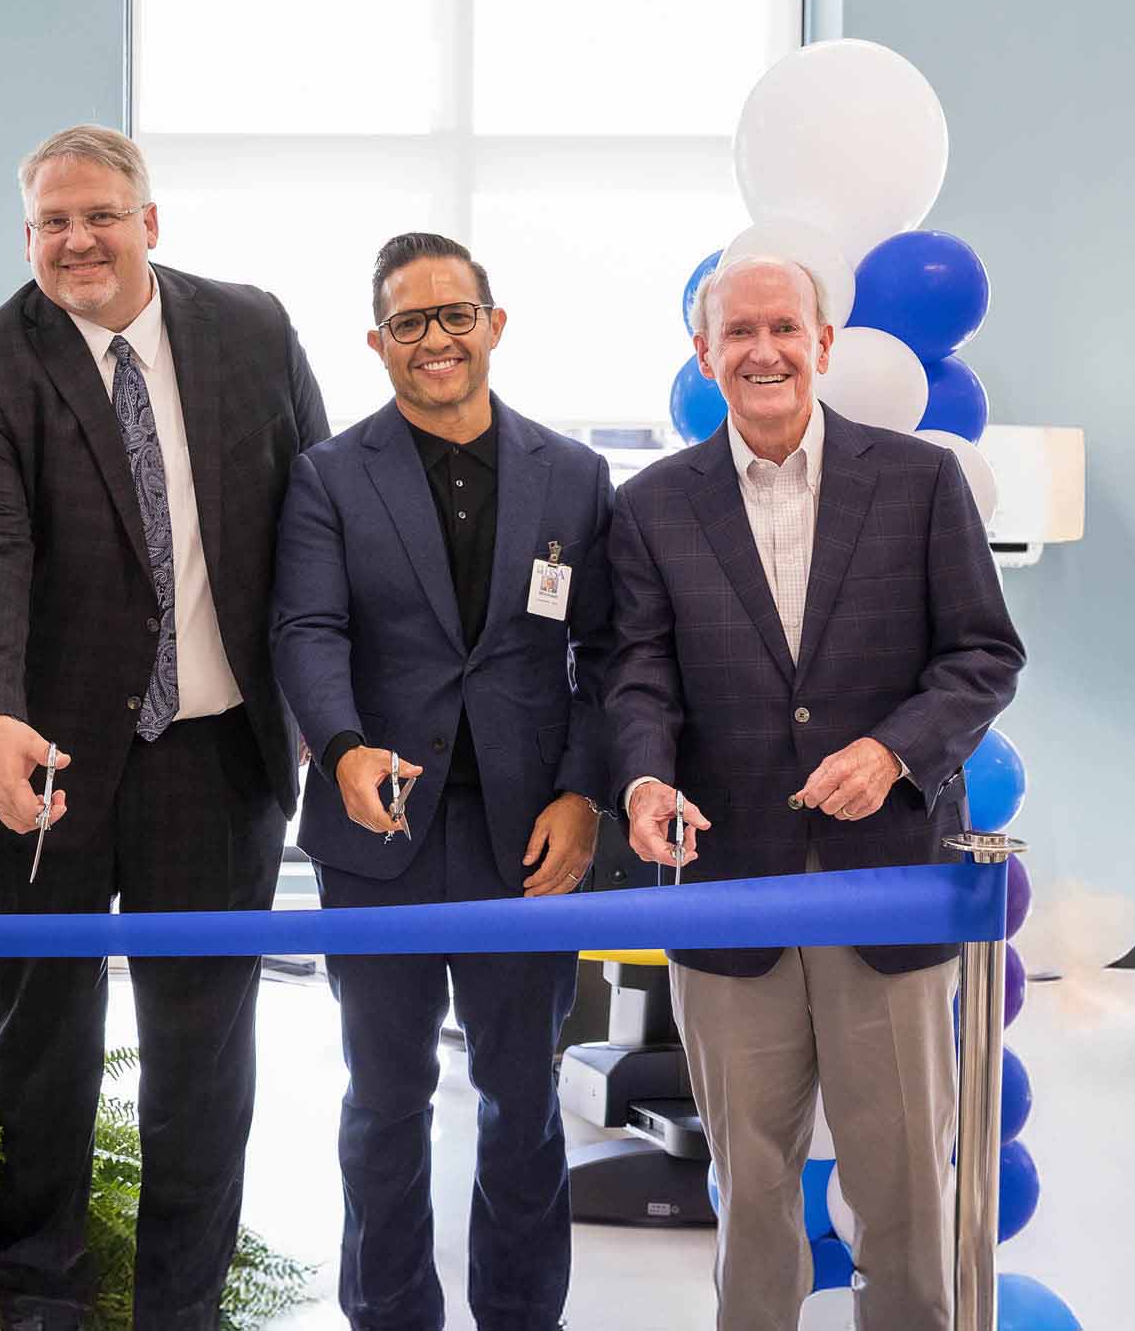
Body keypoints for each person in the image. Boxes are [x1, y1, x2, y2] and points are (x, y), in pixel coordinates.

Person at [0, 124, 328, 1330]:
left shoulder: (251, 328)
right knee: (41, 1054)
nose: (77, 238)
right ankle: (41, 1304)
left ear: (149, 219)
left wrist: (318, 704)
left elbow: (314, 517)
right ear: (28, 236)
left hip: (216, 753)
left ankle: (181, 1309)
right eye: (52, 220)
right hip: (38, 764)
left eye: (99, 213)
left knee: (203, 1059)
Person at [608, 256, 1025, 1330]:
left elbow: (982, 653)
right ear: (703, 355)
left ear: (823, 342)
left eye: (783, 327)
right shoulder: (651, 505)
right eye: (736, 331)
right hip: (727, 893)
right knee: (748, 1196)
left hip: (884, 888)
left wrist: (891, 752)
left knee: (898, 1195)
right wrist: (645, 773)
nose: (762, 351)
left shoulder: (920, 480)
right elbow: (637, 669)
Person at [272, 232, 612, 1330]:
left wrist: (583, 792)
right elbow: (308, 627)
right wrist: (341, 743)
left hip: (531, 837)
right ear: (377, 342)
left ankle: (521, 1314)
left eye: (455, 314)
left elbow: (607, 654)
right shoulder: (328, 474)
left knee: (524, 1104)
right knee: (384, 1100)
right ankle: (389, 1313)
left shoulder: (573, 474)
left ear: (494, 324)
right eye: (409, 321)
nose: (435, 339)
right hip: (380, 833)